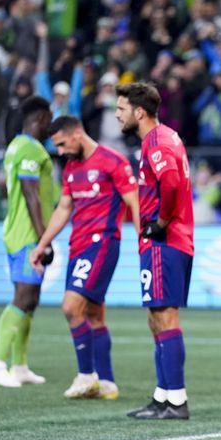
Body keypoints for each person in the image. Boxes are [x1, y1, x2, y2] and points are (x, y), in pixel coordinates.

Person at [29, 116, 139, 400]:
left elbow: (134, 201)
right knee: (93, 314)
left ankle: (86, 375)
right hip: (78, 245)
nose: (61, 151)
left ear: (77, 133)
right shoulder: (71, 166)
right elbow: (64, 208)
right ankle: (107, 383)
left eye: (62, 144)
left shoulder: (113, 161)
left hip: (102, 243)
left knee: (70, 307)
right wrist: (43, 244)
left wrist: (144, 239)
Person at [114, 82, 195, 420]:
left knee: (165, 316)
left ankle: (176, 401)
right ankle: (163, 396)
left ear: (139, 112)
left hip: (166, 240)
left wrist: (161, 222)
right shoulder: (163, 137)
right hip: (163, 241)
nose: (117, 115)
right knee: (155, 317)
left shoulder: (157, 141)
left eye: (121, 109)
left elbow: (173, 182)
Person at [0, 96, 54, 388]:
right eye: (49, 118)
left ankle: (19, 365)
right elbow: (30, 192)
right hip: (27, 234)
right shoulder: (30, 149)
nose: (51, 124)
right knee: (23, 296)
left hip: (18, 230)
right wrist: (43, 239)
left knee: (31, 300)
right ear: (40, 119)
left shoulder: (15, 145)